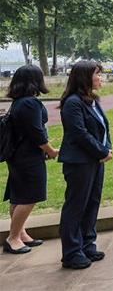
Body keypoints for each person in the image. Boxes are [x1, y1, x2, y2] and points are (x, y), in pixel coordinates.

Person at [58, 61, 112, 269]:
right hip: (79, 162)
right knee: (76, 206)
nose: (100, 78)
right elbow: (79, 133)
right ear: (85, 77)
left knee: (92, 203)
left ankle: (87, 244)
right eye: (97, 74)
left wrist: (106, 148)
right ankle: (71, 252)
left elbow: (103, 128)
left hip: (95, 160)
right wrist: (101, 151)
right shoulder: (73, 103)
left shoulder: (92, 100)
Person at [3, 65, 59, 254]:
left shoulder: (18, 102)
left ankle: (20, 233)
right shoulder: (29, 103)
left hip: (18, 155)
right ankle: (13, 238)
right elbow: (36, 133)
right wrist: (50, 150)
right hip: (28, 157)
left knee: (18, 196)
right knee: (30, 196)